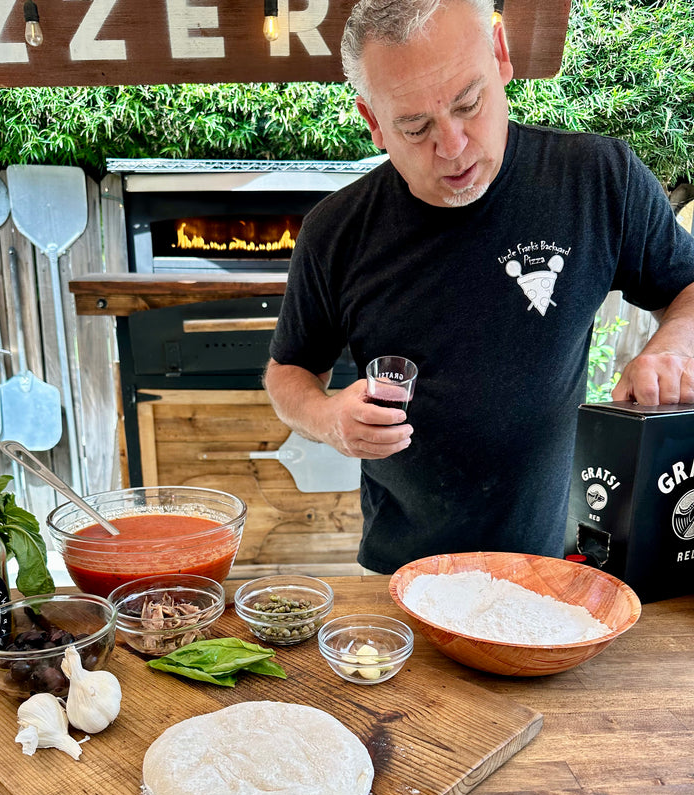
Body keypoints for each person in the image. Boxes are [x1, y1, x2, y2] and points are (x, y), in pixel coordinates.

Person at [263, 0, 694, 574]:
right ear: (373, 122)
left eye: (469, 103)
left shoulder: (596, 179)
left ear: (500, 55)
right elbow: (288, 372)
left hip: (554, 560)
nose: (453, 145)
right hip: (402, 572)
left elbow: (686, 287)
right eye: (414, 127)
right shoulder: (335, 233)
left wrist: (672, 347)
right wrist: (330, 420)